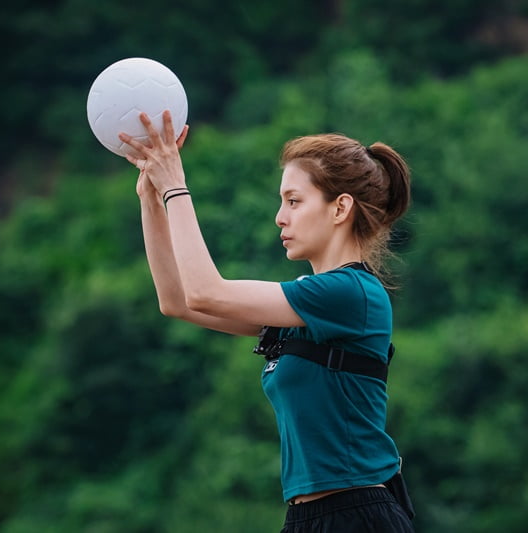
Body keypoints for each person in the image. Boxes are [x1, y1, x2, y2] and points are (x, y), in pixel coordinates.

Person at [119, 111, 415, 532]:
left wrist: (175, 187)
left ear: (340, 208)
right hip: (307, 517)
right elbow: (179, 301)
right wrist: (151, 197)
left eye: (294, 201)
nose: (281, 216)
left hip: (357, 515)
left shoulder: (350, 294)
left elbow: (206, 291)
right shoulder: (306, 305)